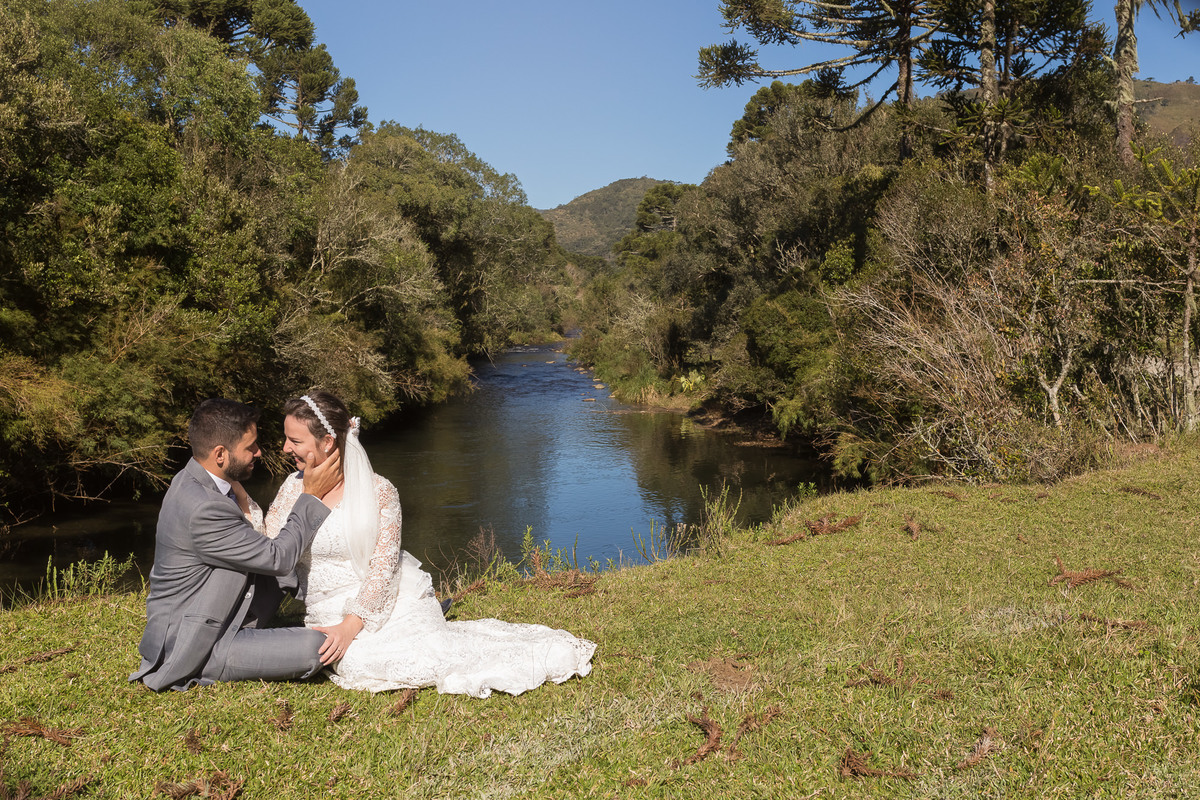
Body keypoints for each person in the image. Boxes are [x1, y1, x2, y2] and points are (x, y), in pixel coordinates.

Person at [262, 391, 596, 696]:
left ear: (328, 442)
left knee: (391, 658)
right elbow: (271, 550)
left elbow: (382, 570)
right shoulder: (292, 488)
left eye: (295, 440)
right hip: (324, 608)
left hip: (383, 604)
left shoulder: (380, 492)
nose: (285, 448)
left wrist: (349, 628)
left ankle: (542, 655)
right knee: (354, 662)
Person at [130, 398, 344, 691]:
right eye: (250, 447)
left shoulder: (193, 478)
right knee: (316, 647)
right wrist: (310, 495)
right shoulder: (204, 508)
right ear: (220, 454)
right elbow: (279, 558)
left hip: (219, 609)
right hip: (197, 643)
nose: (259, 452)